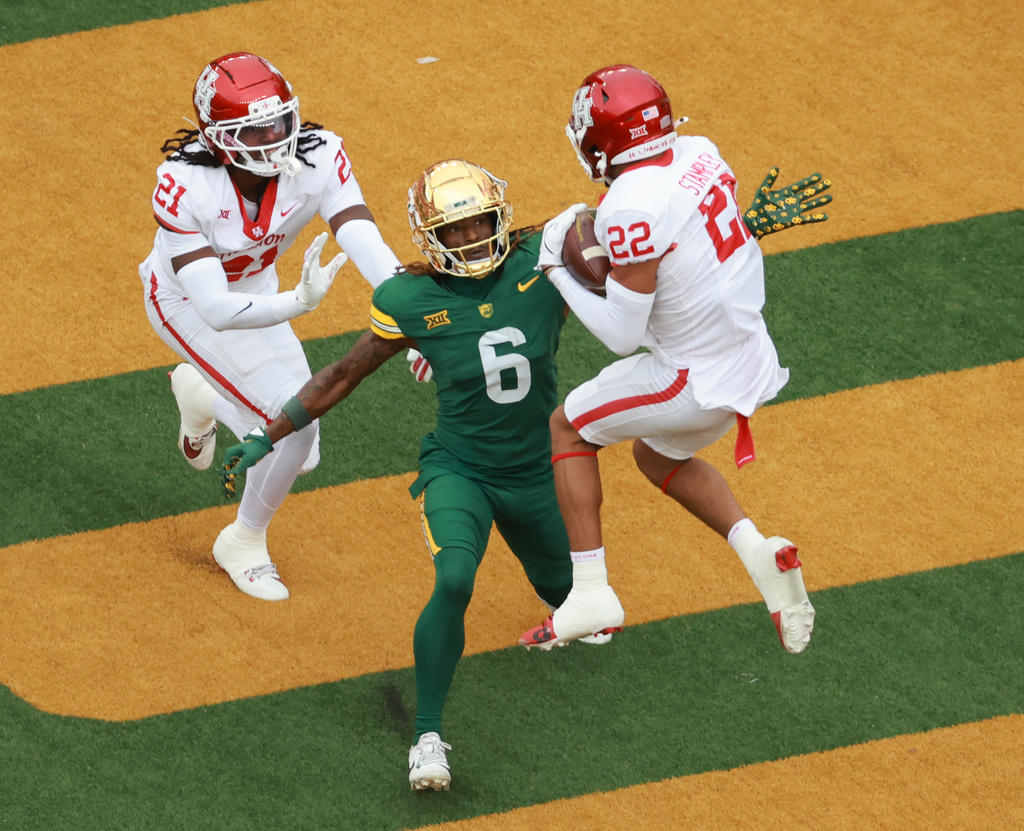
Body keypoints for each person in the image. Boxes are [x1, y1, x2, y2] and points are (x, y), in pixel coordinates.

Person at [217, 156, 827, 789]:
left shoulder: (544, 259)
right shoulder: (407, 297)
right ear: (429, 236)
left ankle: (575, 592)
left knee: (580, 604)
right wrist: (268, 434)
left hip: (538, 471)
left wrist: (727, 231)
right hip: (462, 468)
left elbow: (643, 263)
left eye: (478, 222)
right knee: (455, 577)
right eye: (451, 230)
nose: (468, 238)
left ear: (500, 217)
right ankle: (428, 737)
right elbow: (343, 373)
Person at [518, 65, 828, 655]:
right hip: (749, 359)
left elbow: (618, 333)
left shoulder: (629, 208)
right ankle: (759, 553)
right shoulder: (700, 152)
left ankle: (589, 594)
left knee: (568, 428)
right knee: (655, 455)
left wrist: (556, 268)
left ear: (604, 140)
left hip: (690, 379)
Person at [140, 51, 427, 602]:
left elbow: (362, 235)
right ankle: (243, 540)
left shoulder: (320, 155)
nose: (273, 138)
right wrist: (298, 302)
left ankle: (200, 395)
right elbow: (216, 309)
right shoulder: (183, 185)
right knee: (293, 422)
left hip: (259, 293)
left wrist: (415, 318)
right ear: (219, 138)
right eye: (254, 129)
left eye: (278, 122)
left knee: (300, 448)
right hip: (186, 304)